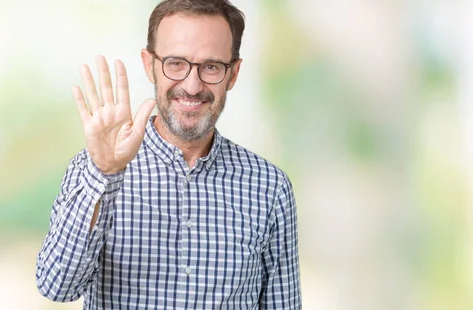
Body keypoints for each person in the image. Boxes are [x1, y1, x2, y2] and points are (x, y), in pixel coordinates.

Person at [35, 0, 301, 309]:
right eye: (175, 63)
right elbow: (56, 287)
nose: (192, 85)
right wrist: (105, 174)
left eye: (211, 66)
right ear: (149, 64)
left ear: (233, 73)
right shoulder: (93, 170)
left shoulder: (270, 186)